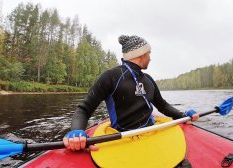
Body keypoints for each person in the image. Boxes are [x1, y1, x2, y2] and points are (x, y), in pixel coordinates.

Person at [63, 35, 199, 152]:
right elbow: (84, 110)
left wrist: (183, 115)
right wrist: (76, 131)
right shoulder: (111, 76)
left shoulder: (149, 80)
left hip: (151, 132)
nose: (150, 58)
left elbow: (162, 106)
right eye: (149, 53)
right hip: (122, 137)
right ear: (141, 54)